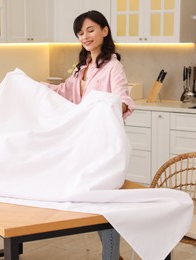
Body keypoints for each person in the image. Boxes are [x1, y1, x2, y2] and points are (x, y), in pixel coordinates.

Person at [43, 10, 136, 260]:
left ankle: (111, 256)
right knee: (92, 203)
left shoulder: (113, 66)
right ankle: (113, 256)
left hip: (104, 145)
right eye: (81, 32)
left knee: (104, 203)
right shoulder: (82, 68)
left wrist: (111, 106)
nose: (85, 36)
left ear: (105, 31)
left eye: (90, 30)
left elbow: (123, 99)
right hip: (84, 144)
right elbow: (64, 91)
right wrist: (37, 87)